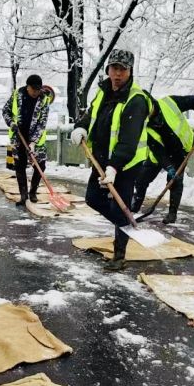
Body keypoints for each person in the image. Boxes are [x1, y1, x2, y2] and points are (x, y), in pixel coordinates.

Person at [70, 49, 150, 271]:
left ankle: (119, 255)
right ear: (108, 70)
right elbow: (90, 115)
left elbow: (128, 141)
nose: (117, 74)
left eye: (122, 69)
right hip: (101, 159)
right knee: (93, 199)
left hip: (126, 164)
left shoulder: (136, 100)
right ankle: (125, 223)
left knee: (120, 203)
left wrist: (115, 167)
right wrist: (81, 127)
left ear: (130, 71)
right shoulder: (103, 92)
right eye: (114, 68)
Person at [131, 95, 194, 224]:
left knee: (175, 181)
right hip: (160, 154)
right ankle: (135, 204)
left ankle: (172, 213)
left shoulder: (169, 103)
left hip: (182, 150)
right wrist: (168, 166)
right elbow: (157, 149)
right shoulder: (144, 124)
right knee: (141, 178)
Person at [2, 74, 53, 205]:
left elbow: (42, 123)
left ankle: (33, 192)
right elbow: (5, 111)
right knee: (20, 166)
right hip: (18, 136)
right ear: (27, 87)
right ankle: (23, 195)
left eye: (38, 89)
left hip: (36, 138)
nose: (36, 92)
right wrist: (11, 123)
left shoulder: (44, 100)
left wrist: (33, 142)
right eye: (34, 89)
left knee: (40, 165)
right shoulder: (17, 95)